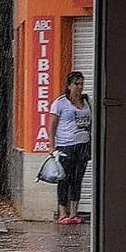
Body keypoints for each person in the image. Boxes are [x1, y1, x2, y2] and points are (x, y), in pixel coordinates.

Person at [47, 71, 92, 224]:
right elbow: (52, 125)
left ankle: (74, 213)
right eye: (76, 84)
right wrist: (51, 145)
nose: (79, 87)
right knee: (64, 178)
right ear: (69, 85)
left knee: (77, 178)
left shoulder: (86, 101)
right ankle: (62, 213)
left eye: (81, 84)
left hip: (83, 144)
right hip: (65, 145)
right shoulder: (60, 103)